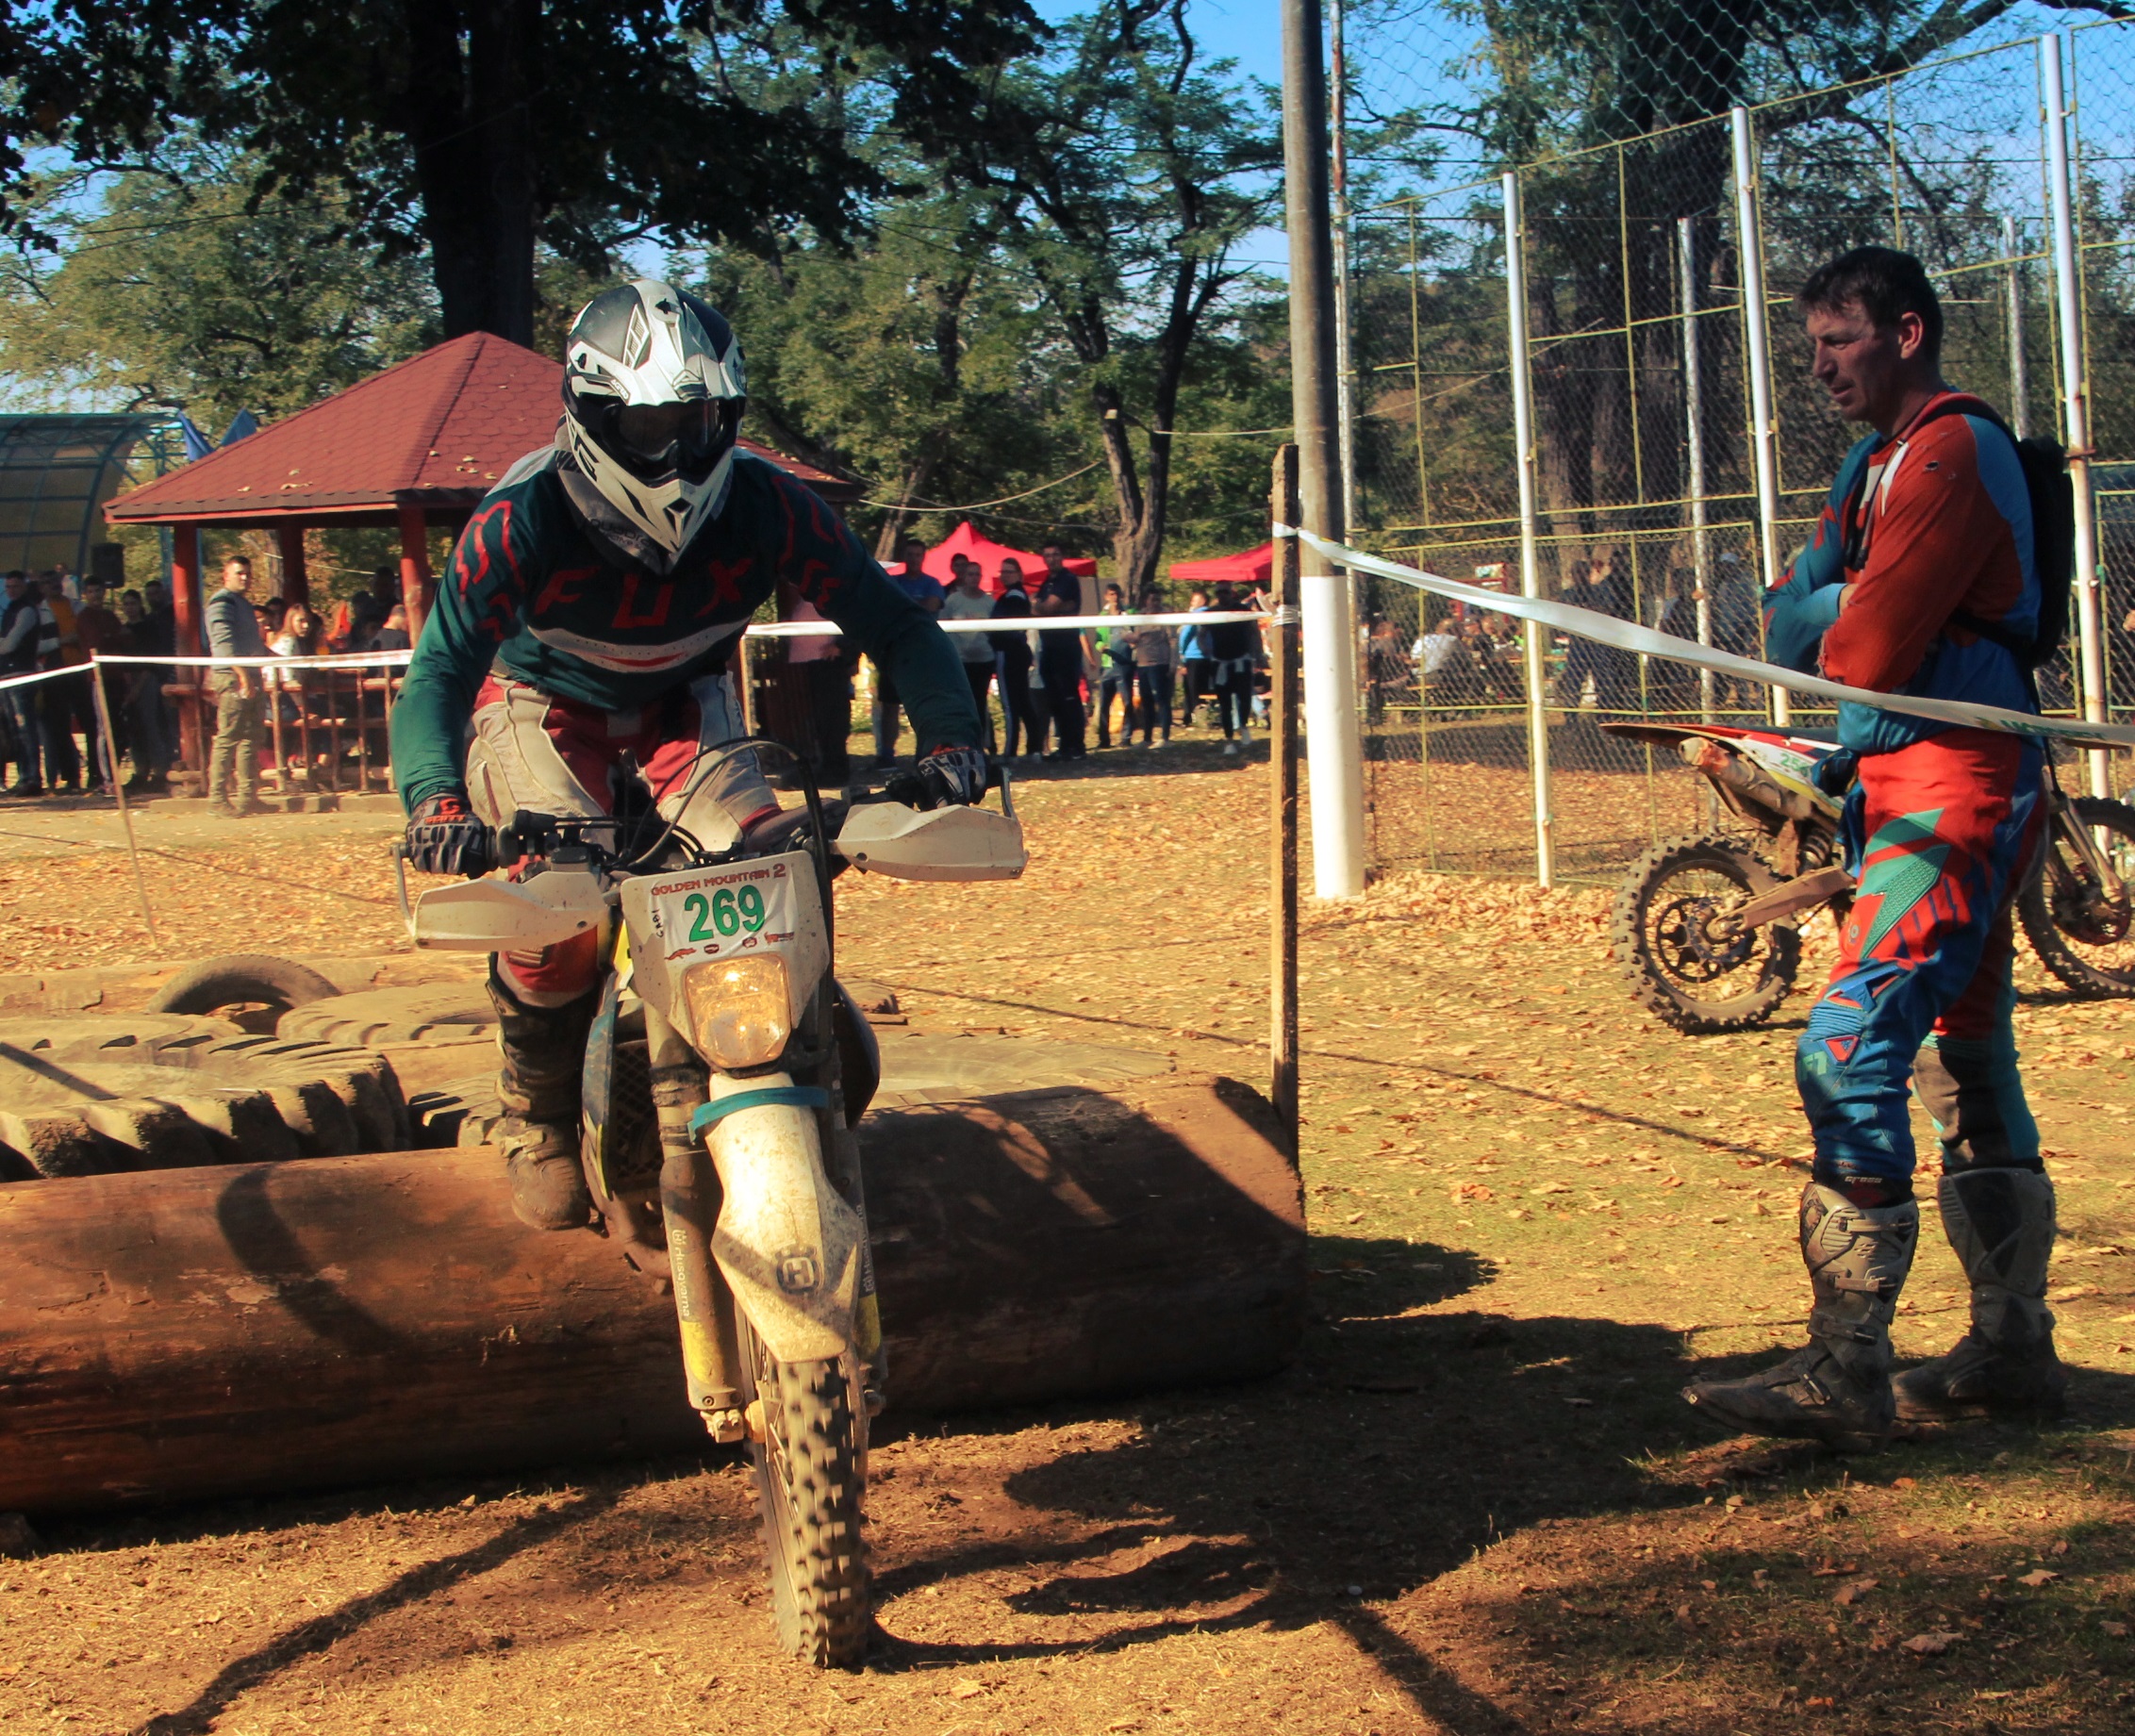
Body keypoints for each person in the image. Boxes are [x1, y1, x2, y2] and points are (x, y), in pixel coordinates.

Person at [391, 279, 985, 1232]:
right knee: (557, 905)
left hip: (686, 701)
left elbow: (896, 623)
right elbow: (440, 670)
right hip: (543, 706)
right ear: (591, 414)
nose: (672, 449)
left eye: (695, 421)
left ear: (730, 415)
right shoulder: (520, 515)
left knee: (767, 854)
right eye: (646, 423)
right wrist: (435, 801)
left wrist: (953, 742)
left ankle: (794, 1034)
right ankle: (537, 1115)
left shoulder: (768, 501)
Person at [1684, 247, 2063, 1452]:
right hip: (1898, 779)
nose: (1818, 366)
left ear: (1904, 333)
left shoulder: (1950, 451)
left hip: (1958, 789)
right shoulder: (1872, 465)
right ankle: (2010, 1349)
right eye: (1809, 345)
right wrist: (1830, 607)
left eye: (1837, 340)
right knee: (1962, 1050)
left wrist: (1831, 608)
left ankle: (1844, 1366)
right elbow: (1784, 623)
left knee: (1845, 1045)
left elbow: (1855, 650)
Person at [204, 554, 271, 817]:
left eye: (248, 574)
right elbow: (223, 644)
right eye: (239, 573)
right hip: (232, 678)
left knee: (250, 738)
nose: (245, 578)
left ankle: (248, 797)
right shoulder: (222, 603)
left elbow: (253, 644)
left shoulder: (243, 604)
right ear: (226, 575)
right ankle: (217, 799)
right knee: (228, 737)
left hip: (252, 675)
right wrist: (242, 675)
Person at [872, 536, 943, 766]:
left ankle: (925, 752)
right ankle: (886, 754)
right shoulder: (892, 582)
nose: (914, 559)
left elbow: (931, 606)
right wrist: (912, 605)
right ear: (904, 557)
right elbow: (885, 607)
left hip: (922, 652)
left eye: (918, 555)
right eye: (910, 555)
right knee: (890, 705)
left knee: (924, 705)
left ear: (924, 558)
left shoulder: (932, 584)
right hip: (894, 651)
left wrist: (902, 605)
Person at [939, 554, 999, 752]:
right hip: (961, 660)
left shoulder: (989, 602)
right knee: (962, 702)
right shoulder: (953, 600)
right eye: (970, 574)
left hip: (984, 660)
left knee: (980, 702)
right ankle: (963, 742)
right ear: (964, 576)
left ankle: (982, 743)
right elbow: (943, 626)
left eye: (977, 574)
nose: (973, 578)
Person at [1034, 544, 1086, 760]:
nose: (1052, 559)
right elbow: (1039, 608)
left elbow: (1046, 608)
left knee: (1069, 696)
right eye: (1047, 555)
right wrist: (1045, 606)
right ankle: (1064, 745)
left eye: (1056, 554)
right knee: (1055, 698)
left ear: (1062, 556)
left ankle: (1076, 746)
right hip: (1049, 646)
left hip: (1065, 647)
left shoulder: (1067, 579)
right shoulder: (1047, 582)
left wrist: (1043, 606)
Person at [988, 559, 1045, 758]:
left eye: (1009, 572)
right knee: (1022, 700)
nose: (1005, 576)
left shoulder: (1013, 597)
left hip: (1009, 652)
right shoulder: (1012, 595)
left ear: (1019, 574)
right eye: (1003, 572)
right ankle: (1034, 748)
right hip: (1016, 652)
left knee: (1011, 703)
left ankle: (1011, 751)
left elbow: (1006, 627)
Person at [124, 583, 174, 793]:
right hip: (128, 679)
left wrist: (138, 686)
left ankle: (160, 771)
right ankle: (140, 771)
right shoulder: (124, 630)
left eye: (133, 603)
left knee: (152, 725)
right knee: (135, 729)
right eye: (126, 604)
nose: (130, 607)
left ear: (139, 605)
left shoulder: (149, 627)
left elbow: (150, 659)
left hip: (148, 678)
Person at [1, 570, 47, 795]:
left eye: (16, 586)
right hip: (6, 677)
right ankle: (23, 778)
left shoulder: (27, 610)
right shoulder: (10, 610)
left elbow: (10, 644)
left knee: (25, 727)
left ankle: (32, 778)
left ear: (24, 587)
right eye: (8, 587)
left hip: (21, 676)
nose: (11, 591)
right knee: (15, 730)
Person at [1204, 584, 1258, 754]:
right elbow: (1200, 633)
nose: (1222, 595)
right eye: (1219, 592)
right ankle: (1229, 739)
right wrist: (1205, 649)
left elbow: (1254, 631)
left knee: (1244, 697)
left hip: (1241, 659)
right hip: (1220, 662)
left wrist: (1255, 654)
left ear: (1231, 593)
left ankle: (1243, 726)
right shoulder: (1210, 612)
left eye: (1225, 592)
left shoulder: (1242, 610)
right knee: (1224, 702)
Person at [1130, 586, 1175, 746]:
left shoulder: (1166, 616)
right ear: (1145, 600)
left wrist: (1173, 664)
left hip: (1160, 664)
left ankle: (1165, 737)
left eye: (1158, 599)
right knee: (1146, 701)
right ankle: (1147, 738)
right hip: (1143, 665)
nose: (1156, 603)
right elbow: (1135, 639)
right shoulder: (1140, 617)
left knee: (1162, 700)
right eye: (1152, 599)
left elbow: (1173, 641)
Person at [1094, 584, 1136, 748]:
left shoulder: (1129, 614)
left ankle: (1126, 737)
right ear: (1106, 596)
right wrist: (1101, 647)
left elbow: (1136, 633)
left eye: (1117, 594)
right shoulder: (1102, 616)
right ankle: (1104, 739)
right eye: (1111, 594)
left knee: (1127, 702)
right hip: (1107, 664)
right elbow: (1097, 639)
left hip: (1124, 663)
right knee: (1104, 702)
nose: (1115, 598)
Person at [1177, 590, 1213, 725]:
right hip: (1209, 656)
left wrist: (1182, 652)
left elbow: (1185, 634)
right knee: (1205, 688)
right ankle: (1205, 714)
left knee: (1191, 688)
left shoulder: (1195, 615)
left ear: (1202, 601)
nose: (1191, 603)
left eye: (1194, 600)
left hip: (1193, 655)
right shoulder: (1213, 615)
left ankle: (1190, 716)